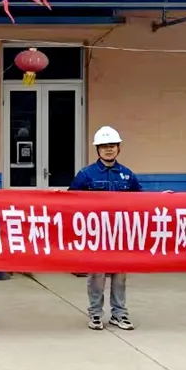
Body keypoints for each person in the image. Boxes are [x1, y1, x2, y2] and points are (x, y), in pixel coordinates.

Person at [69, 126, 141, 332]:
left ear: (118, 148)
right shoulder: (86, 174)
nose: (108, 149)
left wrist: (164, 199)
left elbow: (142, 200)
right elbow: (70, 200)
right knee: (96, 276)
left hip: (120, 234)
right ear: (97, 149)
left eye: (112, 146)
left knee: (120, 276)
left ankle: (120, 314)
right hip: (96, 235)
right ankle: (95, 314)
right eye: (104, 146)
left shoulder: (127, 175)